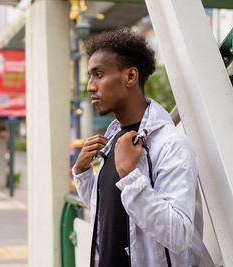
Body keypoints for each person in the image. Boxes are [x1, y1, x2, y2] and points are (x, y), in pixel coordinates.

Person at [72, 29, 214, 267]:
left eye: (98, 74)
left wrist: (129, 174)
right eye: (90, 76)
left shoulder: (171, 145)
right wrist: (83, 171)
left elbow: (178, 234)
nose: (90, 86)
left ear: (130, 77)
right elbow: (108, 211)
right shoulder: (112, 142)